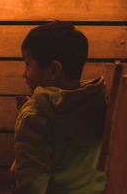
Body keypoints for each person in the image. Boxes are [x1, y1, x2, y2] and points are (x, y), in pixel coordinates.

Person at [6, 21, 107, 194]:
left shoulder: (34, 116)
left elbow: (31, 186)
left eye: (28, 64)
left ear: (53, 71)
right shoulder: (98, 103)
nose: (24, 73)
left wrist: (30, 115)